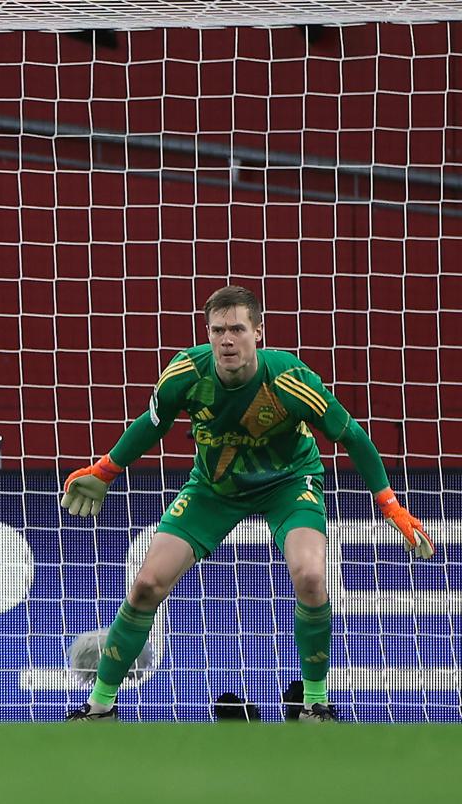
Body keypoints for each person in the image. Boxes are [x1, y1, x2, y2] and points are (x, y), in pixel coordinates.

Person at [59, 285, 435, 723]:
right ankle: (99, 708)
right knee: (146, 585)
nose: (227, 339)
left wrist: (388, 502)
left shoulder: (289, 379)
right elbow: (152, 424)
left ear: (259, 332)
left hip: (289, 483)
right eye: (218, 330)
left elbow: (349, 434)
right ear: (208, 333)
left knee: (312, 577)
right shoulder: (185, 373)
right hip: (214, 488)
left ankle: (315, 704)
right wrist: (105, 470)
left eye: (237, 328)